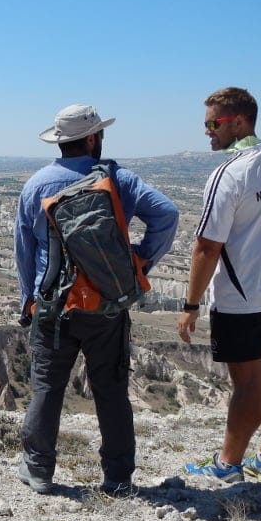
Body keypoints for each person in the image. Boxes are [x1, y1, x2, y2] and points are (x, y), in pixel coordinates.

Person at [14, 104, 178, 494]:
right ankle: (118, 477)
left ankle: (38, 471)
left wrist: (28, 299)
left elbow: (23, 248)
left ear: (61, 142)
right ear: (92, 138)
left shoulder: (36, 185)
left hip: (54, 305)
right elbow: (167, 215)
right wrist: (139, 262)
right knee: (110, 389)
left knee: (47, 388)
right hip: (106, 305)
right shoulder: (117, 179)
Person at [177, 87, 261, 485]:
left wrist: (191, 304)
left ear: (239, 122)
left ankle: (228, 466)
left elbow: (206, 246)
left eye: (213, 123)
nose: (207, 132)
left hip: (242, 297)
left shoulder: (231, 172)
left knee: (246, 382)